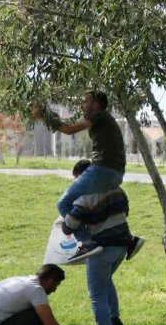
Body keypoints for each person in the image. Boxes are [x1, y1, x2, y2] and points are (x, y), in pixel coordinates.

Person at [32, 91, 140, 260]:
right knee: (100, 203)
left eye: (85, 102)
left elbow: (69, 129)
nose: (82, 106)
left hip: (101, 170)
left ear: (96, 105)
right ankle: (127, 238)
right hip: (115, 173)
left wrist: (44, 115)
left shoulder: (99, 116)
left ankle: (87, 242)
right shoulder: (106, 120)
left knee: (64, 203)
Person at [62, 159, 143, 325]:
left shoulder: (84, 200)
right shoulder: (118, 191)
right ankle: (115, 321)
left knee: (96, 293)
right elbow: (125, 212)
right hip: (122, 247)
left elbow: (68, 227)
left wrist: (68, 217)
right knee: (106, 281)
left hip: (101, 249)